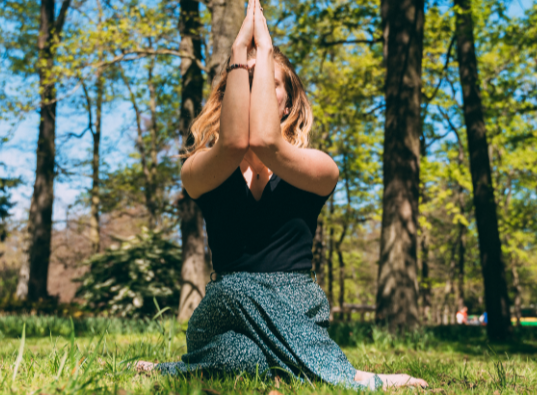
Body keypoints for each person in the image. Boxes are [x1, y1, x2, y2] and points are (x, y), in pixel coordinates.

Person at [132, 0, 428, 390]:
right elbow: (237, 142)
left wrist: (266, 48)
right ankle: (349, 376)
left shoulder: (319, 167)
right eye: (246, 79)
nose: (255, 86)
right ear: (228, 95)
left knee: (244, 358)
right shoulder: (199, 168)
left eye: (268, 82)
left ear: (288, 101)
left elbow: (268, 143)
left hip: (298, 308)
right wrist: (241, 52)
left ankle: (181, 369)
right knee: (236, 286)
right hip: (224, 305)